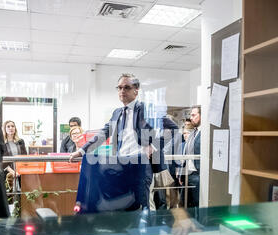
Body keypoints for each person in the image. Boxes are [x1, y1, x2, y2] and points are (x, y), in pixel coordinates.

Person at [70, 73, 167, 210]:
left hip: (140, 166)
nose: (122, 91)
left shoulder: (147, 109)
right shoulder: (117, 113)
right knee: (126, 206)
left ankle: (147, 230)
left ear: (136, 90)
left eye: (127, 87)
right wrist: (81, 151)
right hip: (122, 166)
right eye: (119, 88)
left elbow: (170, 129)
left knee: (143, 207)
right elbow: (103, 134)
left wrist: (153, 147)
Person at [182, 107, 201, 208]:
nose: (191, 117)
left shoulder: (204, 133)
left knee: (197, 204)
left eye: (194, 115)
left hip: (198, 175)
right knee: (186, 204)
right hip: (188, 174)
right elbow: (186, 153)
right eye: (191, 115)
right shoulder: (193, 132)